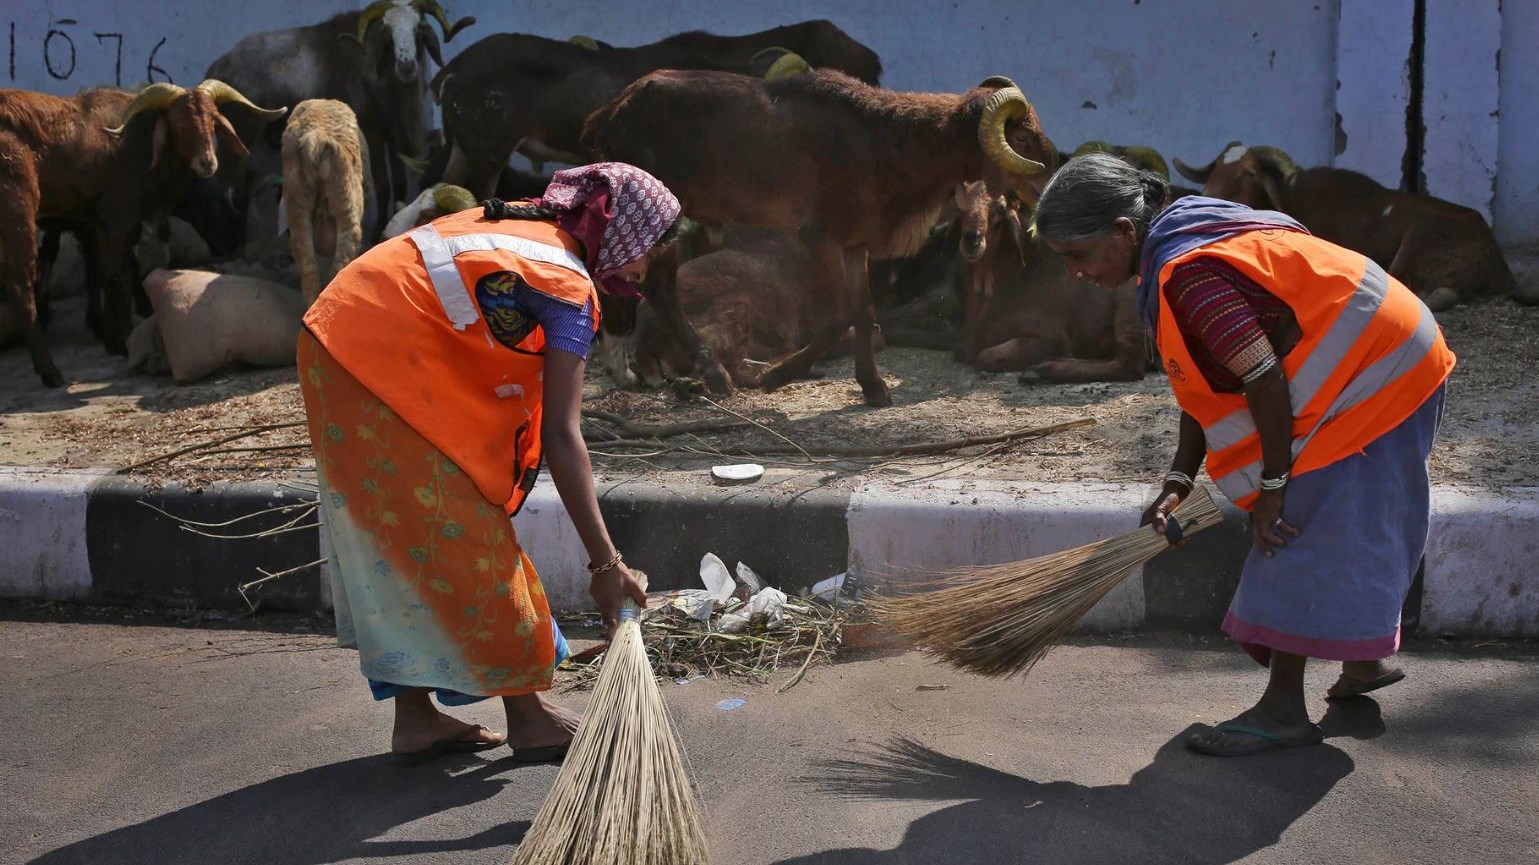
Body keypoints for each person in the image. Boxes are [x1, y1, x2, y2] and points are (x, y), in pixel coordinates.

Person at [1033, 153, 1455, 757]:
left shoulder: (1188, 274)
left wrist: (1275, 486)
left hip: (1377, 371)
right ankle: (1363, 664)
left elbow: (1261, 379)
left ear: (1124, 232)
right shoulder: (1181, 241)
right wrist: (1180, 478)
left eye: (1078, 254)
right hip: (1396, 350)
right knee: (1358, 522)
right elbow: (1206, 381)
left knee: (1290, 527)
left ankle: (1283, 709)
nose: (1076, 272)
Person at [297, 163, 679, 764]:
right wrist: (607, 563)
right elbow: (561, 431)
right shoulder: (564, 284)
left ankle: (417, 718)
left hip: (336, 342)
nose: (643, 269)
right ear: (623, 233)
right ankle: (527, 716)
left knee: (405, 537)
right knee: (467, 536)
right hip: (369, 361)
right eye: (649, 252)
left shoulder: (523, 228)